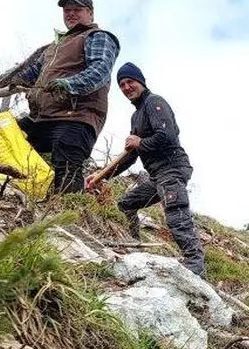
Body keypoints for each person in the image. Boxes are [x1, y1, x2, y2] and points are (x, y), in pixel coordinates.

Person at [85, 62, 207, 279]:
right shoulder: (136, 116)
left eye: (130, 82)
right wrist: (102, 176)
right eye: (121, 84)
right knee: (125, 205)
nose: (126, 87)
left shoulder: (154, 102)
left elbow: (167, 136)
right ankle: (132, 243)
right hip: (157, 175)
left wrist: (140, 142)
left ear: (140, 81)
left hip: (173, 168)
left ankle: (195, 264)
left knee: (175, 212)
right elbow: (131, 155)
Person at [4, 0, 120, 194]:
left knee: (66, 172)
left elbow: (100, 70)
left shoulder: (97, 37)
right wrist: (13, 80)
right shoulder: (55, 47)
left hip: (76, 117)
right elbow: (33, 73)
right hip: (41, 118)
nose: (71, 14)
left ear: (90, 13)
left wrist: (69, 85)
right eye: (67, 10)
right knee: (8, 137)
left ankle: (68, 217)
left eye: (77, 9)